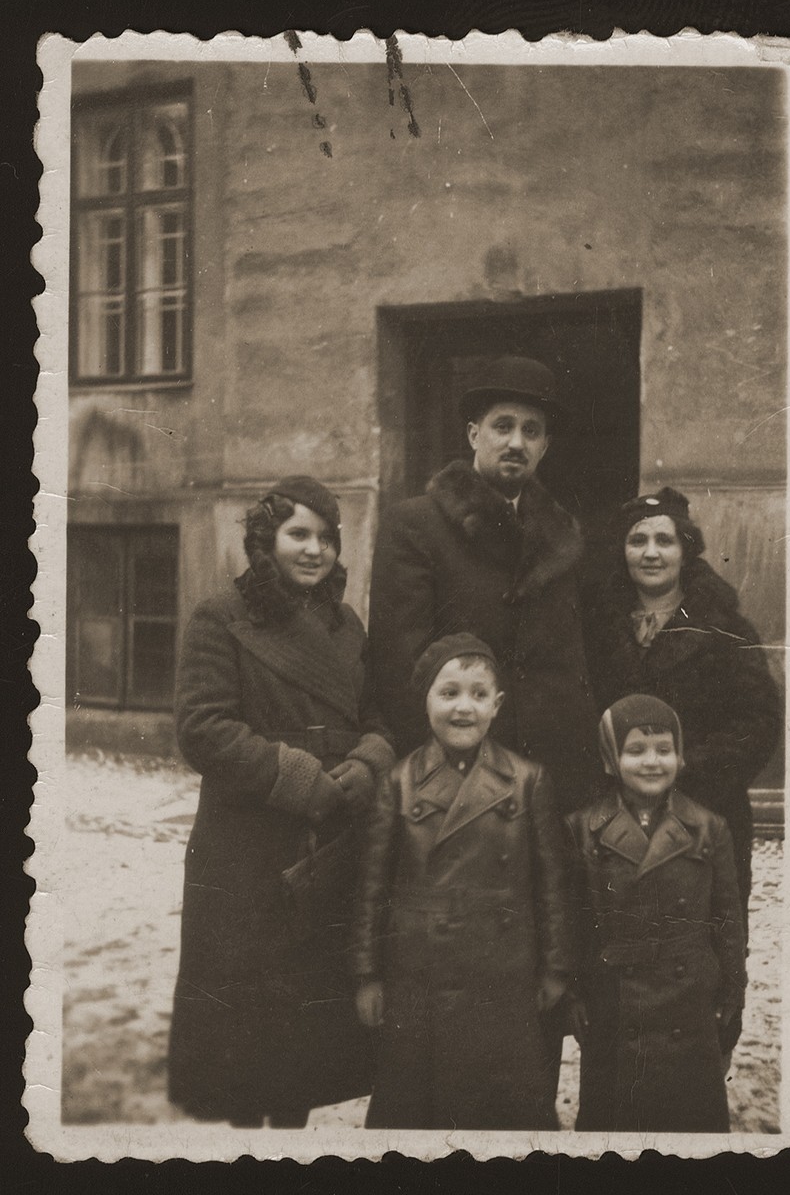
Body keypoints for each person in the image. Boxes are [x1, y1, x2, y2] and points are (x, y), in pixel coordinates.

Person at [167, 476, 394, 1127]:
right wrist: (299, 777)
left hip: (325, 843)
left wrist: (366, 763)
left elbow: (379, 714)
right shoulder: (222, 614)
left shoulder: (344, 622)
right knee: (244, 1028)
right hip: (247, 847)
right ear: (265, 541)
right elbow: (203, 727)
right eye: (299, 534)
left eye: (326, 537)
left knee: (301, 1028)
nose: (314, 549)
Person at [351, 634, 574, 1130]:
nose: (463, 708)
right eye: (448, 693)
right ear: (425, 700)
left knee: (503, 1109)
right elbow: (372, 888)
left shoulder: (527, 780)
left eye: (477, 695)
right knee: (415, 1109)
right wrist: (367, 975)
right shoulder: (399, 781)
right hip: (417, 973)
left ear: (497, 706)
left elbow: (551, 886)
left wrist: (556, 967)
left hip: (504, 972)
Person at [369, 354, 597, 814]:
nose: (516, 442)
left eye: (531, 431)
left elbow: (574, 664)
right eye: (503, 426)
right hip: (458, 777)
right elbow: (399, 666)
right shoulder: (415, 525)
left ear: (545, 447)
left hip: (550, 776)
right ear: (474, 434)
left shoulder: (562, 538)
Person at [583, 486, 781, 920]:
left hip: (704, 813)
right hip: (615, 814)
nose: (651, 553)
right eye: (638, 541)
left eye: (665, 541)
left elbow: (759, 720)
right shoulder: (595, 628)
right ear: (622, 551)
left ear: (686, 550)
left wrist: (685, 772)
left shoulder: (725, 627)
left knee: (704, 945)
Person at [565, 695, 747, 1133]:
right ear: (611, 760)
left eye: (664, 750)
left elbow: (727, 919)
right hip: (614, 1002)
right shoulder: (584, 829)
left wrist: (732, 991)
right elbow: (573, 922)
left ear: (680, 756)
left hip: (689, 1004)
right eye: (636, 750)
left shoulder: (709, 828)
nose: (652, 762)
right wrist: (573, 992)